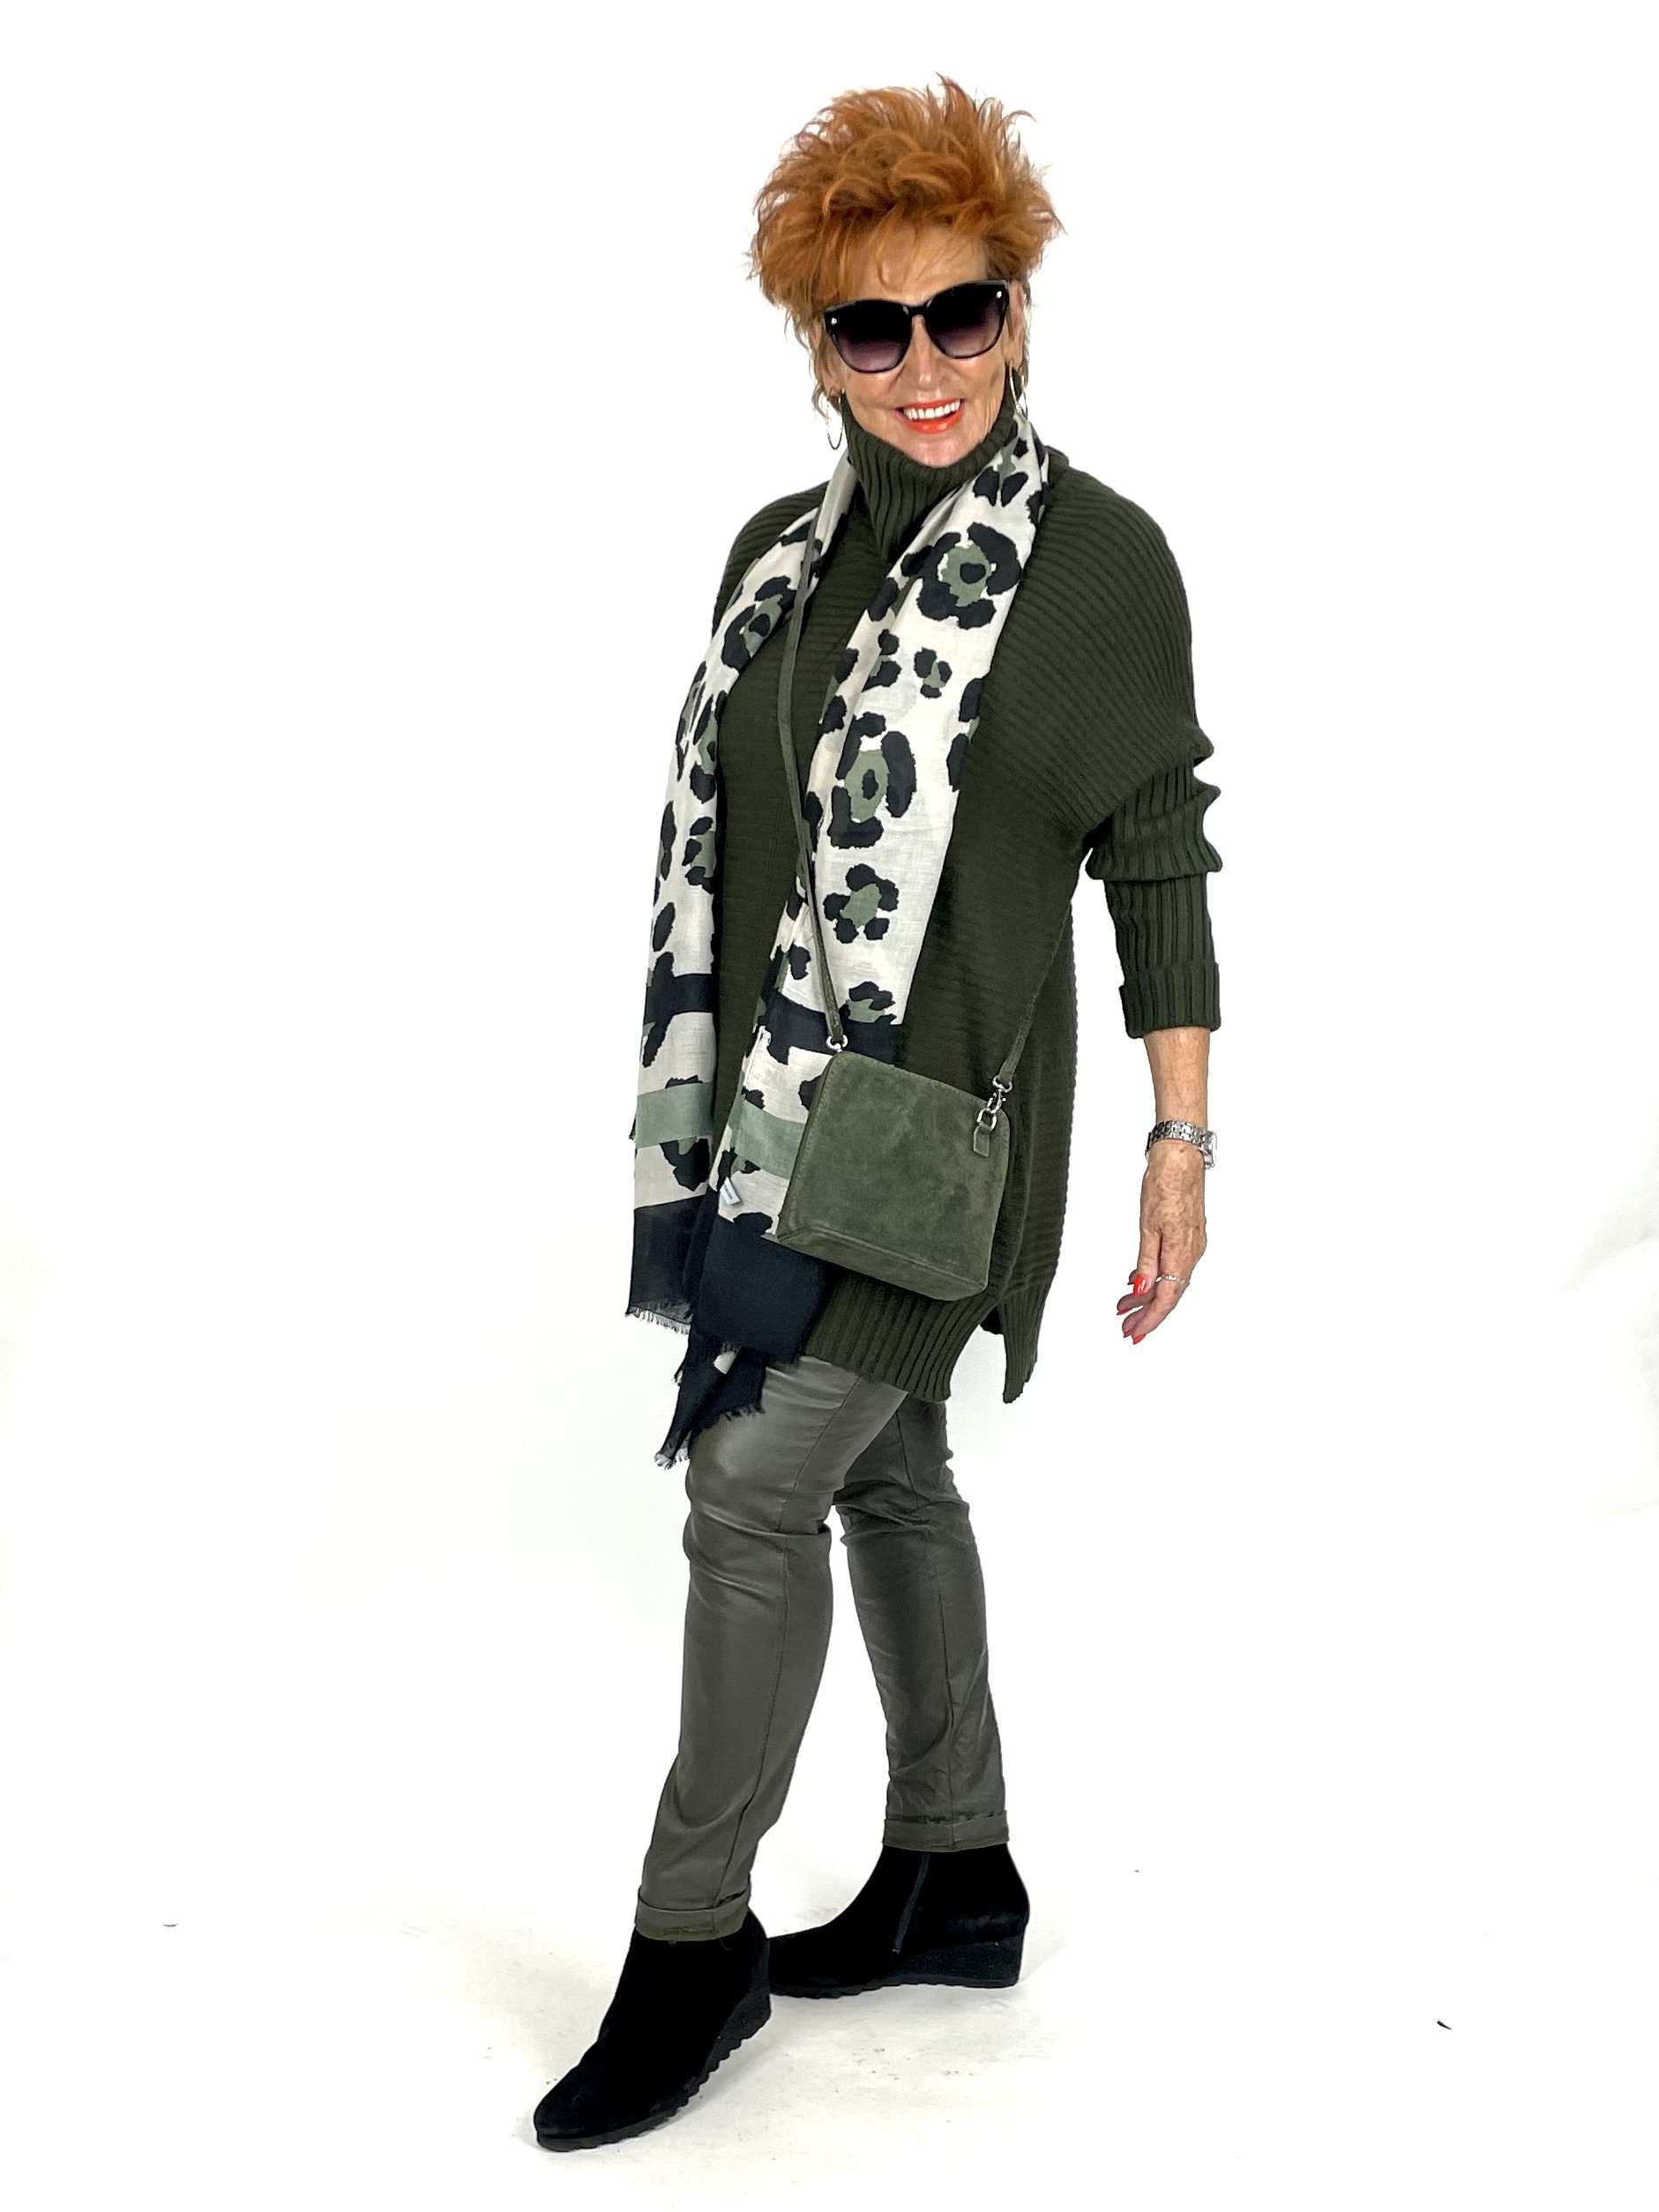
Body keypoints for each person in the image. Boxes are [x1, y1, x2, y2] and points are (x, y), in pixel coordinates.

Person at [534, 74, 1222, 2152]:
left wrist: (1179, 1142)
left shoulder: (1094, 569)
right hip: (772, 1130)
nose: (924, 366)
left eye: (962, 312)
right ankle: (951, 1868)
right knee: (886, 1471)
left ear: (1018, 312)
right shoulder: (770, 559)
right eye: (870, 324)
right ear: (814, 342)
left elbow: (1156, 860)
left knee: (751, 1488)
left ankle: (690, 1944)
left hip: (938, 1144)